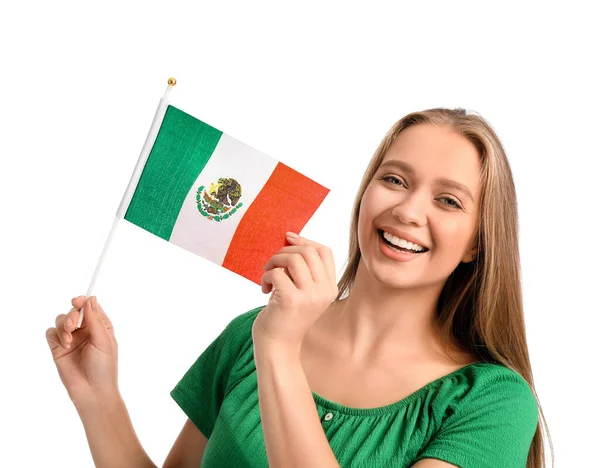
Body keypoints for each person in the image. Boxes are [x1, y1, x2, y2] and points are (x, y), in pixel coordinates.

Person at [46, 108, 553, 468]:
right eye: (395, 180)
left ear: (476, 244)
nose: (408, 210)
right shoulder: (251, 336)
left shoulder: (492, 404)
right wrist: (98, 398)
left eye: (448, 201)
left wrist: (282, 349)